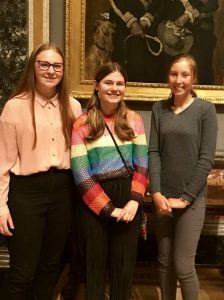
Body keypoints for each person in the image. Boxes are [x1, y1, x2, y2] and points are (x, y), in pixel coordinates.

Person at [0, 42, 82, 300]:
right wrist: (1, 206)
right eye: (44, 64)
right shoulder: (15, 106)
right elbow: (3, 161)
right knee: (22, 272)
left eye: (56, 65)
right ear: (33, 68)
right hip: (26, 194)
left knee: (51, 266)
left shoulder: (74, 106)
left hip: (62, 190)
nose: (50, 70)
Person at [71, 62, 148, 300]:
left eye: (119, 83)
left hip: (128, 199)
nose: (114, 88)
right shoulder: (82, 124)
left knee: (123, 269)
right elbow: (81, 174)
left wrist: (134, 201)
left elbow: (142, 165)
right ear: (96, 86)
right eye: (108, 82)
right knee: (93, 270)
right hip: (93, 203)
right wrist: (109, 210)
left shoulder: (134, 119)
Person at [148, 54, 217, 300]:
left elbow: (206, 159)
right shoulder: (159, 109)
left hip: (192, 200)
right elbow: (154, 152)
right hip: (163, 198)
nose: (178, 80)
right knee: (165, 262)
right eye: (173, 74)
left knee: (183, 266)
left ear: (194, 78)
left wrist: (186, 198)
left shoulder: (205, 110)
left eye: (185, 75)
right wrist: (156, 193)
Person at [157, 0, 219, 84]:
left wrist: (189, 15)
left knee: (199, 70)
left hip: (200, 34)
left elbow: (213, 4)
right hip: (175, 35)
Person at [109, 0, 163, 82]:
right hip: (125, 27)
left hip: (151, 25)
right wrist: (132, 22)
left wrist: (147, 19)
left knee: (152, 69)